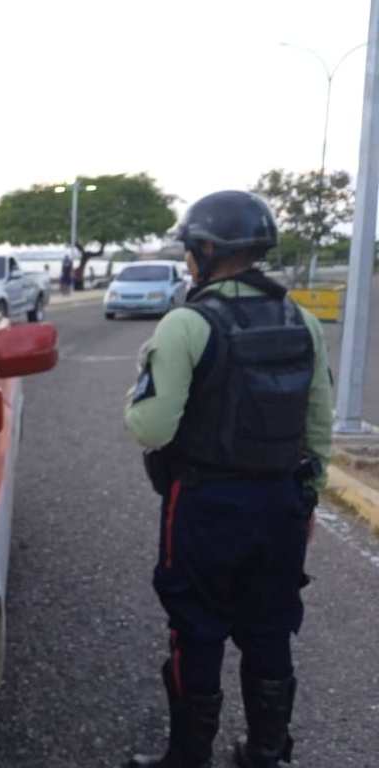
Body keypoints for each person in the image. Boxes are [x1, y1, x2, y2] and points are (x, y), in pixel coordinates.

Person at [123, 191, 333, 768]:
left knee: (196, 626)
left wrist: (138, 387)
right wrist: (307, 498)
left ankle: (189, 756)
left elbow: (151, 428)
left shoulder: (188, 323)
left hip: (205, 503)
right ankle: (268, 753)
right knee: (270, 627)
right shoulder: (301, 319)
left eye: (191, 249)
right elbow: (319, 424)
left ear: (208, 250)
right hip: (281, 501)